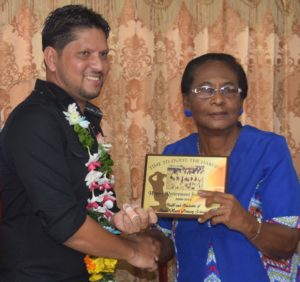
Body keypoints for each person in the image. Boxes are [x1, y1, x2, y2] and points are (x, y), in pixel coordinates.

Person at [0, 5, 163, 281]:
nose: (99, 66)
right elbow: (63, 221)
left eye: (103, 55)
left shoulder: (81, 119)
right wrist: (132, 252)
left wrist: (116, 221)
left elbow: (87, 203)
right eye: (84, 54)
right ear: (52, 58)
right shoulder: (35, 120)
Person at [156, 53, 300, 281]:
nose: (218, 99)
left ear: (241, 100)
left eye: (229, 90)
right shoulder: (174, 155)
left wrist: (247, 223)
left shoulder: (269, 149)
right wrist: (143, 231)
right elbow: (164, 246)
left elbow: (287, 244)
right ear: (186, 101)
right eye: (204, 89)